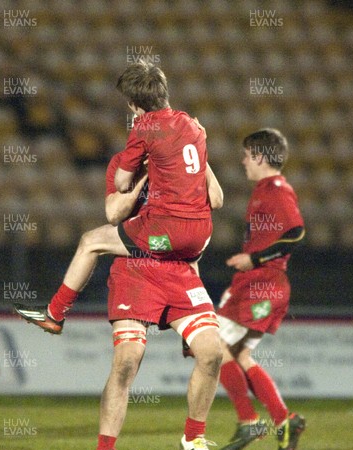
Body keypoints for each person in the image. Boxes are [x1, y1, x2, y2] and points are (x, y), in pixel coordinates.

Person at [14, 61, 213, 334]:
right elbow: (218, 198)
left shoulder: (145, 128)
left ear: (132, 104)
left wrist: (141, 172)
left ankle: (55, 314)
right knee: (186, 259)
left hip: (166, 233)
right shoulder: (193, 127)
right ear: (164, 92)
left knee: (90, 242)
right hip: (201, 236)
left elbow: (119, 190)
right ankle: (192, 334)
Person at [92, 150, 225, 450]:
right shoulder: (128, 166)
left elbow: (217, 200)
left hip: (178, 271)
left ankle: (193, 437)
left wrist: (202, 156)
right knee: (127, 359)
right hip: (136, 268)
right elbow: (113, 213)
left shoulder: (187, 164)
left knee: (212, 352)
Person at [213, 128, 306, 450]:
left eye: (246, 154)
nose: (242, 161)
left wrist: (255, 258)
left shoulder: (277, 189)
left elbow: (297, 232)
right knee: (238, 355)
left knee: (212, 347)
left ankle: (249, 420)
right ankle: (285, 420)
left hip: (262, 282)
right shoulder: (264, 190)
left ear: (260, 157)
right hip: (258, 282)